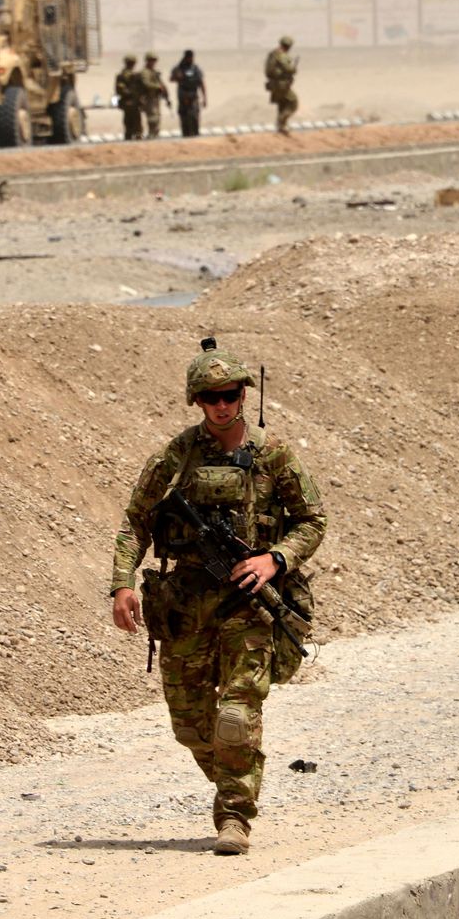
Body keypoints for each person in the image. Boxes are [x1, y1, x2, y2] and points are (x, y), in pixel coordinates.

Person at [109, 339, 328, 856]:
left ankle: (234, 814)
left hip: (247, 604)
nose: (222, 405)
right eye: (211, 397)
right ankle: (239, 772)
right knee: (190, 726)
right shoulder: (176, 456)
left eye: (230, 394)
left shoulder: (274, 456)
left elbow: (313, 520)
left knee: (235, 713)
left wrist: (275, 559)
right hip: (186, 605)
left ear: (244, 395)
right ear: (197, 401)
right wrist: (122, 583)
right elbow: (135, 522)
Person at [265, 36, 299, 135]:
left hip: (274, 84)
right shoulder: (282, 55)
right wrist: (293, 69)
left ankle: (282, 128)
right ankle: (281, 122)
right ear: (288, 46)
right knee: (293, 103)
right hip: (281, 84)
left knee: (282, 105)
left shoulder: (273, 53)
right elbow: (288, 68)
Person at [170, 49, 206, 137]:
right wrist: (178, 77)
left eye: (191, 57)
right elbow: (171, 79)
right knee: (184, 116)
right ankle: (185, 134)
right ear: (185, 57)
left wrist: (204, 98)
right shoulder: (179, 68)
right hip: (183, 95)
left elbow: (201, 83)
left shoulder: (195, 68)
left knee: (194, 115)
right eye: (189, 57)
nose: (191, 59)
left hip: (193, 95)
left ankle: (195, 133)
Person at [139, 52, 170, 139]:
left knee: (157, 117)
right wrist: (158, 87)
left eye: (154, 60)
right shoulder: (145, 72)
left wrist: (166, 95)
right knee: (153, 117)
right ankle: (151, 135)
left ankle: (154, 135)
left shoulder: (154, 72)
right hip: (148, 98)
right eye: (151, 60)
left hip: (155, 98)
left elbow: (161, 84)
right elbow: (146, 84)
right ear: (147, 61)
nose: (153, 62)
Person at [115, 54, 143, 141]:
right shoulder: (122, 75)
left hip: (134, 102)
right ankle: (131, 137)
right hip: (129, 101)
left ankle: (134, 136)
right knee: (130, 122)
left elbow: (141, 88)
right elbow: (120, 89)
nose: (132, 64)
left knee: (135, 122)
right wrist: (131, 93)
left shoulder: (135, 75)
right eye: (130, 63)